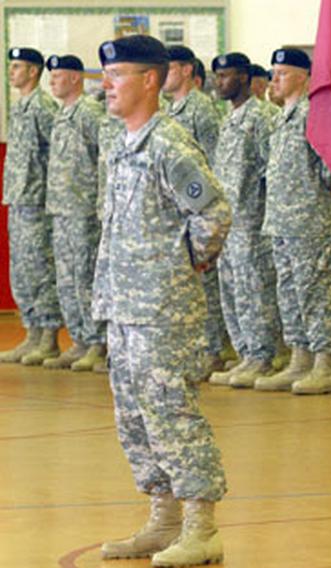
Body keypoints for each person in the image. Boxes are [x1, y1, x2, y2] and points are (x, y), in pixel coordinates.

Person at [93, 34, 230, 566]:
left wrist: (186, 264)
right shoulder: (123, 144)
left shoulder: (169, 145)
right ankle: (163, 519)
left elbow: (214, 213)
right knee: (134, 417)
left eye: (117, 75)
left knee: (172, 413)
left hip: (162, 311)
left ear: (149, 80)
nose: (106, 84)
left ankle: (201, 526)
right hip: (123, 307)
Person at [254, 48, 331, 395]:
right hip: (280, 221)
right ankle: (299, 358)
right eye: (273, 72)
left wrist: (319, 197)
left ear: (305, 76)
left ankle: (324, 363)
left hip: (310, 220)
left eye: (283, 72)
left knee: (315, 293)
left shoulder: (315, 114)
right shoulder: (281, 117)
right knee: (289, 293)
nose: (275, 79)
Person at [206, 52, 281, 389]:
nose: (221, 82)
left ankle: (263, 356)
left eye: (228, 76)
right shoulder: (229, 120)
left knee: (255, 290)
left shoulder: (262, 117)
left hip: (252, 221)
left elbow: (271, 172)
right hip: (229, 223)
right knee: (232, 290)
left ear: (246, 79)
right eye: (217, 76)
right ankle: (245, 353)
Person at [164, 45, 228, 373]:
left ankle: (213, 350)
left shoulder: (200, 108)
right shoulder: (168, 111)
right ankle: (193, 349)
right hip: (177, 213)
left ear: (187, 70)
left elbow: (215, 161)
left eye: (170, 67)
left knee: (205, 287)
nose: (164, 73)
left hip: (200, 209)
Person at [44, 54, 108, 372]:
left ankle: (98, 342)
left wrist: (100, 204)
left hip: (83, 210)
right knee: (66, 279)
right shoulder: (61, 114)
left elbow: (104, 158)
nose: (52, 81)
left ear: (74, 78)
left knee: (85, 277)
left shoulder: (90, 113)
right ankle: (80, 339)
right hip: (61, 208)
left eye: (57, 76)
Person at [0, 47, 63, 365]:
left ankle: (49, 338)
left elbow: (58, 151)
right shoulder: (19, 107)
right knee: (22, 270)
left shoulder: (42, 107)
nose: (11, 72)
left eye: (18, 67)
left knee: (40, 268)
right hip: (19, 199)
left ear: (34, 72)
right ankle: (31, 333)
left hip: (38, 202)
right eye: (11, 66)